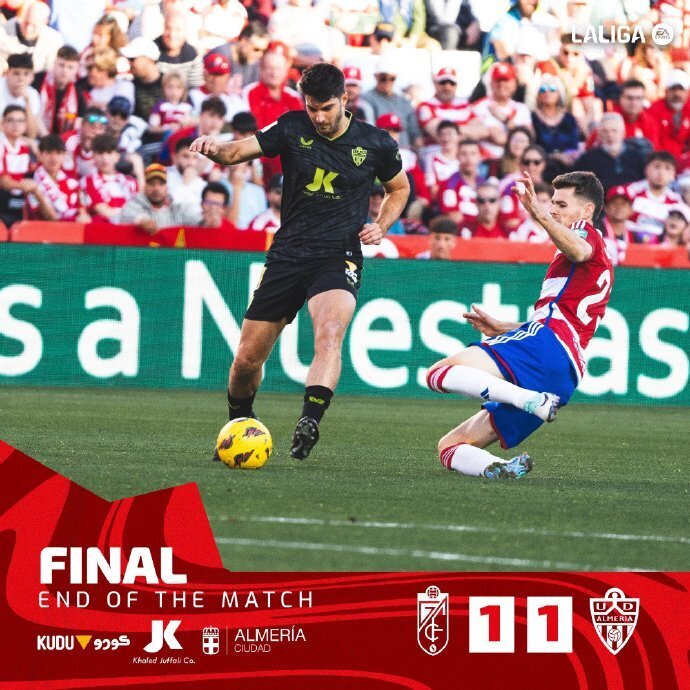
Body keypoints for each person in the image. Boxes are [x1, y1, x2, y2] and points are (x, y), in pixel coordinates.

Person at [190, 62, 409, 460]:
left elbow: (399, 188)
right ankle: (239, 422)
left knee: (329, 333)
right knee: (246, 361)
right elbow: (236, 151)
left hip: (338, 255)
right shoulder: (291, 127)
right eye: (312, 108)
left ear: (344, 99)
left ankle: (310, 420)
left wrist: (381, 225)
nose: (318, 117)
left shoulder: (375, 142)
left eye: (326, 108)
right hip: (288, 255)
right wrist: (214, 148)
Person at [426, 170, 612, 480]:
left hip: (548, 345)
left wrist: (538, 213)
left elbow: (578, 249)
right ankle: (497, 467)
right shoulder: (599, 258)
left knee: (437, 374)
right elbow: (565, 319)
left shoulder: (584, 232)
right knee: (450, 446)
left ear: (587, 210)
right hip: (563, 374)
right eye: (551, 203)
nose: (553, 209)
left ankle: (528, 399)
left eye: (561, 204)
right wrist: (504, 328)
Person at [361, 56, 423, 149]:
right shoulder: (366, 99)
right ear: (376, 76)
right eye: (383, 78)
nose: (387, 81)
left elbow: (416, 134)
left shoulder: (404, 102)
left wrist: (417, 152)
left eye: (392, 78)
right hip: (379, 151)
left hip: (405, 151)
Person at [120, 163, 201, 233]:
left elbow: (198, 220)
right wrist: (142, 221)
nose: (156, 188)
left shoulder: (177, 207)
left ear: (167, 187)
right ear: (144, 186)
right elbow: (128, 215)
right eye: (152, 183)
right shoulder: (134, 204)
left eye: (161, 184)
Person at [574, 112, 646, 191]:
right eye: (605, 131)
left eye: (614, 130)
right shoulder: (587, 160)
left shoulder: (637, 157)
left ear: (623, 133)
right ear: (599, 134)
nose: (610, 135)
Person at [26, 134, 88, 222]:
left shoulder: (72, 183)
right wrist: (38, 194)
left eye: (58, 153)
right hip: (46, 227)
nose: (53, 158)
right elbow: (50, 218)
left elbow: (83, 206)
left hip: (74, 225)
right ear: (40, 155)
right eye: (49, 153)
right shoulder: (32, 183)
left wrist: (83, 213)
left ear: (64, 156)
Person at [80, 133, 138, 223]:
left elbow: (141, 206)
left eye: (109, 153)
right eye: (100, 153)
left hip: (131, 226)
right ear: (93, 156)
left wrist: (140, 172)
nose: (105, 158)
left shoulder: (130, 182)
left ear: (117, 156)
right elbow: (103, 211)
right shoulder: (88, 181)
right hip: (106, 228)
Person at [626, 151, 681, 243]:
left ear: (673, 174)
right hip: (631, 245)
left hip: (663, 249)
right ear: (646, 169)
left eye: (667, 168)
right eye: (657, 167)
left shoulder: (676, 202)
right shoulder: (630, 192)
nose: (661, 173)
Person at [38, 45, 85, 135]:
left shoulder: (78, 92)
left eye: (70, 67)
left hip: (64, 139)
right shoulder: (39, 81)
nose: (64, 71)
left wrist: (67, 116)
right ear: (54, 64)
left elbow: (79, 120)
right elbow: (33, 114)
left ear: (76, 70)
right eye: (61, 65)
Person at [0, 104, 35, 225]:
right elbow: (3, 182)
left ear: (25, 125)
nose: (16, 125)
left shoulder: (26, 147)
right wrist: (24, 186)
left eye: (20, 121)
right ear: (3, 123)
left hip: (18, 199)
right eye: (11, 120)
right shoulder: (1, 146)